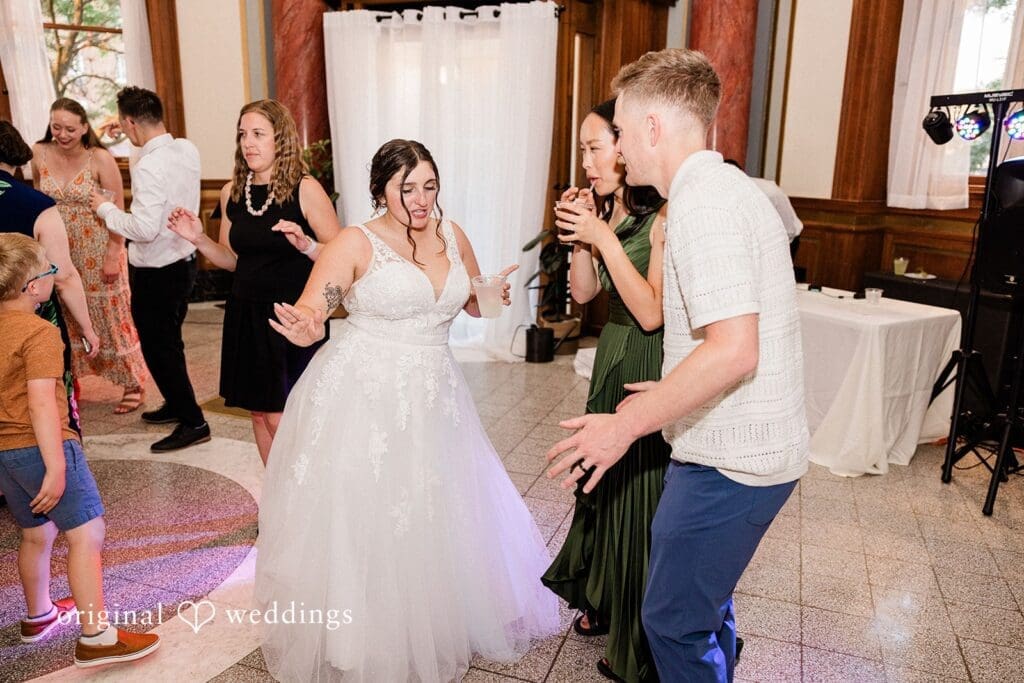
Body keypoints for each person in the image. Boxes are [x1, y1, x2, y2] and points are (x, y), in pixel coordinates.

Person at [547, 49, 809, 682]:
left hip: (732, 461)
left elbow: (734, 349)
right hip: (736, 446)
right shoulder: (725, 188)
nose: (620, 151)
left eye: (625, 132)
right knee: (698, 610)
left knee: (671, 623)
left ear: (655, 127)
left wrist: (628, 421)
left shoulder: (701, 205)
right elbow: (724, 336)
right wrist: (673, 385)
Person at [255, 139, 560, 681]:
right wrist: (305, 322)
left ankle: (434, 616)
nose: (421, 200)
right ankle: (358, 635)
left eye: (429, 186)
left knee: (435, 506)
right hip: (365, 392)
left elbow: (467, 297)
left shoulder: (452, 233)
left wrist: (489, 294)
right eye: (407, 188)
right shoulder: (355, 242)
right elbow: (316, 305)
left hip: (435, 391)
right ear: (381, 191)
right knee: (368, 510)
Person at [541, 98, 669, 683]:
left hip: (643, 356)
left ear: (626, 147)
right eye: (585, 150)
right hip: (609, 357)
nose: (587, 161)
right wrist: (579, 237)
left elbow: (649, 312)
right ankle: (604, 596)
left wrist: (604, 236)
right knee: (605, 485)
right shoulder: (608, 212)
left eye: (595, 147)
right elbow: (588, 295)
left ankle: (641, 634)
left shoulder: (664, 217)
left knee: (639, 494)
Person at [0, 233, 159, 668]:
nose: (54, 276)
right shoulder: (41, 332)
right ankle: (97, 636)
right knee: (87, 534)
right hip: (44, 449)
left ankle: (38, 615)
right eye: (50, 270)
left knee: (36, 532)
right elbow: (41, 403)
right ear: (33, 287)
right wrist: (55, 467)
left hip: (6, 453)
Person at [166, 100, 340, 464]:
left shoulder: (305, 189)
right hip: (245, 315)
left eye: (258, 134)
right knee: (259, 415)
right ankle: (277, 501)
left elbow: (340, 258)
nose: (248, 143)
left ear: (281, 140)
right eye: (243, 134)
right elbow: (232, 260)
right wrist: (198, 239)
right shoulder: (234, 191)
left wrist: (306, 244)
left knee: (283, 418)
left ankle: (306, 500)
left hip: (291, 317)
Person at [89, 86, 209, 452]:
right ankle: (176, 403)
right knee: (170, 342)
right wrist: (125, 137)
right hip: (184, 262)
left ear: (129, 122)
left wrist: (104, 208)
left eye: (125, 128)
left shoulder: (147, 167)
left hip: (157, 272)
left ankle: (193, 422)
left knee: (160, 349)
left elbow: (143, 229)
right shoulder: (186, 149)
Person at [32, 98, 149, 415]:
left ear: (85, 127)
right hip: (58, 247)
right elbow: (34, 201)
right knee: (66, 316)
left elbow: (118, 211)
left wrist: (114, 253)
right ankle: (73, 378)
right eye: (57, 127)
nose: (63, 134)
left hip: (98, 249)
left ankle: (133, 382)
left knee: (111, 317)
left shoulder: (99, 158)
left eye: (70, 128)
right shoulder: (38, 152)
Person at [1, 120, 99, 435]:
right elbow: (64, 276)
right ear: (16, 160)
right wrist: (87, 328)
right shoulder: (37, 206)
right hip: (30, 322)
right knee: (44, 398)